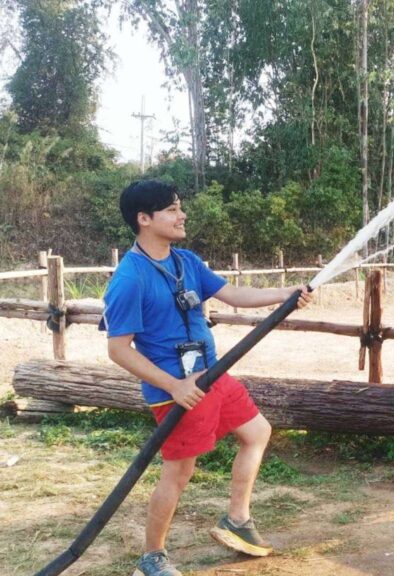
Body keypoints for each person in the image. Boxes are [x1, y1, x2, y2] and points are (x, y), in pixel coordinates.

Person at [101, 180, 312, 576]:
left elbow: (233, 294)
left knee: (257, 431)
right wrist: (174, 386)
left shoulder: (187, 261)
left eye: (180, 207)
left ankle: (237, 520)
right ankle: (152, 558)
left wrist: (288, 293)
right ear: (144, 219)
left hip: (213, 376)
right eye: (172, 210)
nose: (182, 216)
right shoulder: (130, 279)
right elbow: (118, 349)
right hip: (177, 392)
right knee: (179, 472)